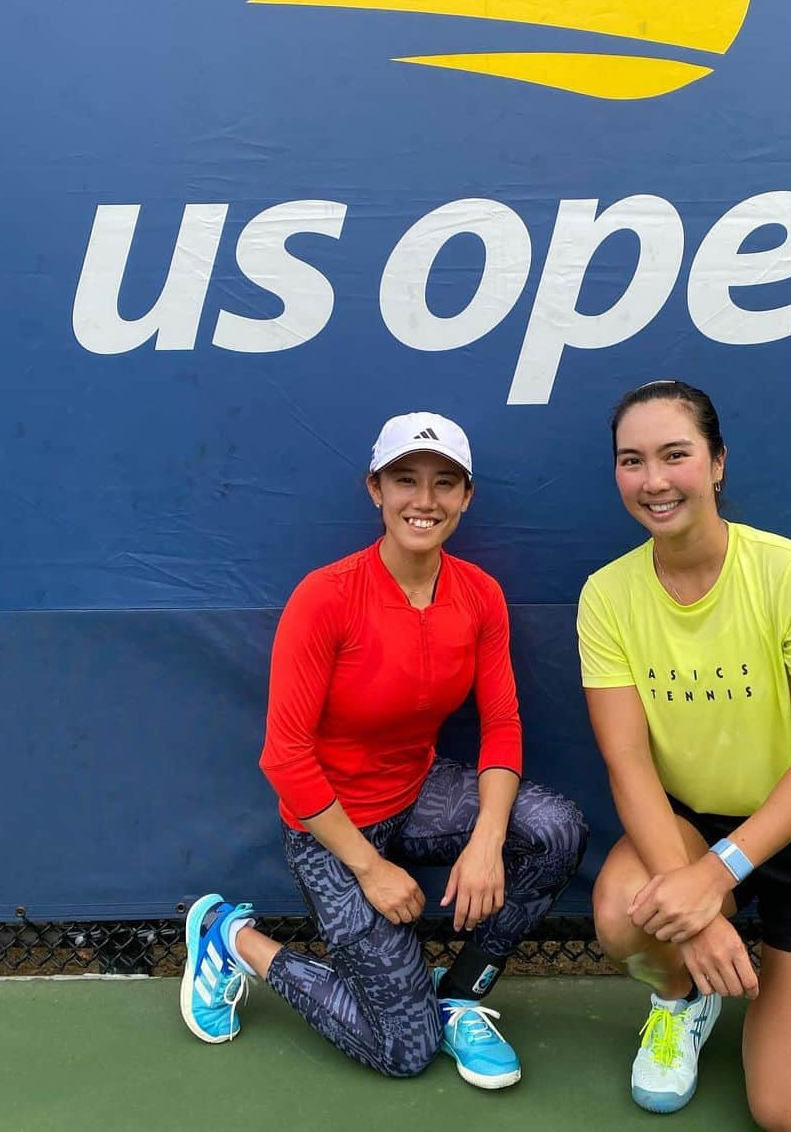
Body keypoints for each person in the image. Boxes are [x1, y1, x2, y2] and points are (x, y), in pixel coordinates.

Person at [181, 411, 587, 1089]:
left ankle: (458, 996)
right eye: (406, 479)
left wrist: (487, 838)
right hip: (331, 829)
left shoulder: (480, 595)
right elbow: (284, 757)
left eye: (443, 483)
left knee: (555, 830)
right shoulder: (326, 598)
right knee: (403, 1050)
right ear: (376, 489)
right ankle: (229, 937)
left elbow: (503, 724)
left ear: (466, 498)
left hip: (418, 793)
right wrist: (368, 867)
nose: (424, 500)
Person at [578, 380, 791, 1129]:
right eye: (633, 461)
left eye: (675, 455)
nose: (654, 480)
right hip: (689, 822)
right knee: (625, 917)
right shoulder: (606, 596)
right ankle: (683, 999)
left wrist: (717, 876)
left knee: (787, 1111)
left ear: (717, 463)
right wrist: (693, 913)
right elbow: (627, 761)